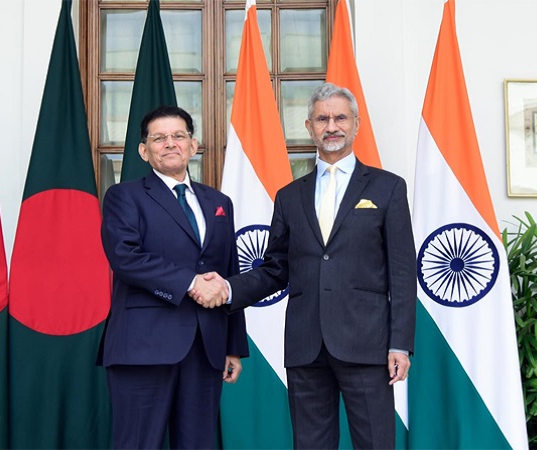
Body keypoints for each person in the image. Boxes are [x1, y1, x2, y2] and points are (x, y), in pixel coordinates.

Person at [193, 83, 416, 449]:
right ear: (309, 126)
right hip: (305, 345)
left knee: (376, 443)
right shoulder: (289, 196)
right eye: (322, 119)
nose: (332, 126)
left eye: (340, 117)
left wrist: (400, 344)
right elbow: (275, 269)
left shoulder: (387, 188)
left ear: (356, 124)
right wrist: (229, 288)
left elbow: (403, 273)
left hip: (368, 344)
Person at [98, 105, 249, 449]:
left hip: (205, 348)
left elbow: (230, 273)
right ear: (144, 150)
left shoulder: (219, 202)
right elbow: (125, 258)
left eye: (178, 136)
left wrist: (233, 346)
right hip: (142, 347)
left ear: (192, 145)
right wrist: (191, 282)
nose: (170, 143)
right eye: (159, 138)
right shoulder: (124, 196)